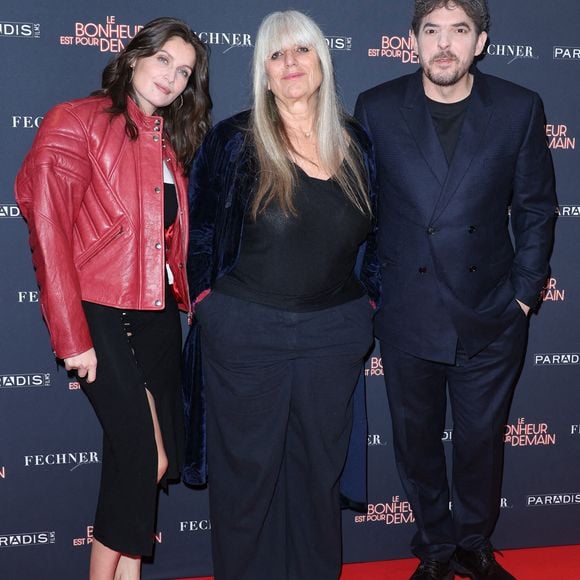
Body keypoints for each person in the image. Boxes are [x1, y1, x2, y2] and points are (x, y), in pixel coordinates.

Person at [355, 1, 556, 579]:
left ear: (482, 41)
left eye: (459, 31)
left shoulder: (518, 108)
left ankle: (473, 542)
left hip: (491, 313)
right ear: (412, 40)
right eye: (432, 31)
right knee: (416, 445)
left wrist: (523, 295)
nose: (445, 45)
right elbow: (362, 211)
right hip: (407, 313)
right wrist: (373, 295)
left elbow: (537, 209)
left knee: (479, 443)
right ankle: (437, 551)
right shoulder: (378, 107)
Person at [182, 10, 379, 580]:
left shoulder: (358, 142)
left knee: (318, 472)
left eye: (302, 50)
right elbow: (199, 233)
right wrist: (206, 303)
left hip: (333, 335)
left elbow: (381, 237)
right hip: (245, 330)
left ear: (322, 60)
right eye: (276, 54)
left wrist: (366, 306)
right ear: (264, 72)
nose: (291, 63)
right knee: (248, 477)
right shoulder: (234, 139)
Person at [15, 17, 211, 580]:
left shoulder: (167, 140)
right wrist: (72, 337)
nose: (172, 78)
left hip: (156, 319)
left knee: (151, 459)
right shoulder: (74, 120)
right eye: (163, 61)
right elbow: (49, 232)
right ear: (132, 58)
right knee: (141, 456)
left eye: (184, 72)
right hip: (99, 313)